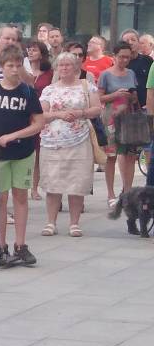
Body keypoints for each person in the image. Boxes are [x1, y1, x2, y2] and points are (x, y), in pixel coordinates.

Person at [0, 44, 45, 267]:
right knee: (0, 197)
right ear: (1, 67)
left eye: (18, 66)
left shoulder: (28, 92)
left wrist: (14, 135)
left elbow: (38, 122)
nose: (15, 70)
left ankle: (20, 243)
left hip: (22, 151)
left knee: (20, 196)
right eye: (10, 66)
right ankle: (0, 245)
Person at [39, 52, 101, 238]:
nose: (64, 68)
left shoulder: (87, 87)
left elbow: (97, 109)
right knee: (53, 182)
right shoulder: (49, 90)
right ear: (56, 68)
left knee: (77, 181)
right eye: (61, 65)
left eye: (68, 65)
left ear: (76, 67)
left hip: (79, 139)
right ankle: (51, 222)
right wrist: (59, 115)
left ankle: (74, 223)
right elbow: (41, 115)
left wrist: (81, 112)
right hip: (53, 141)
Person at [98, 42, 138, 205]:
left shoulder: (131, 73)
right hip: (111, 117)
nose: (124, 60)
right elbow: (99, 97)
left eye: (127, 57)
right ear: (114, 56)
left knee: (129, 155)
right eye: (121, 56)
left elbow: (135, 96)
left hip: (128, 117)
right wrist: (115, 94)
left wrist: (131, 97)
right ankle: (110, 193)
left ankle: (127, 191)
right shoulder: (105, 75)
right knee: (111, 156)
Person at [26, 40, 53, 201]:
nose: (30, 52)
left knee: (38, 155)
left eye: (34, 49)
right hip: (24, 115)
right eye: (29, 49)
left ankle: (34, 188)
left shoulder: (49, 73)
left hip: (41, 115)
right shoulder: (22, 71)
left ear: (42, 53)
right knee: (26, 153)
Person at [120, 29, 152, 107]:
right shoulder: (119, 63)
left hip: (145, 107)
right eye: (127, 41)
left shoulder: (147, 60)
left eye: (133, 40)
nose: (130, 42)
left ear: (138, 43)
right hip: (124, 108)